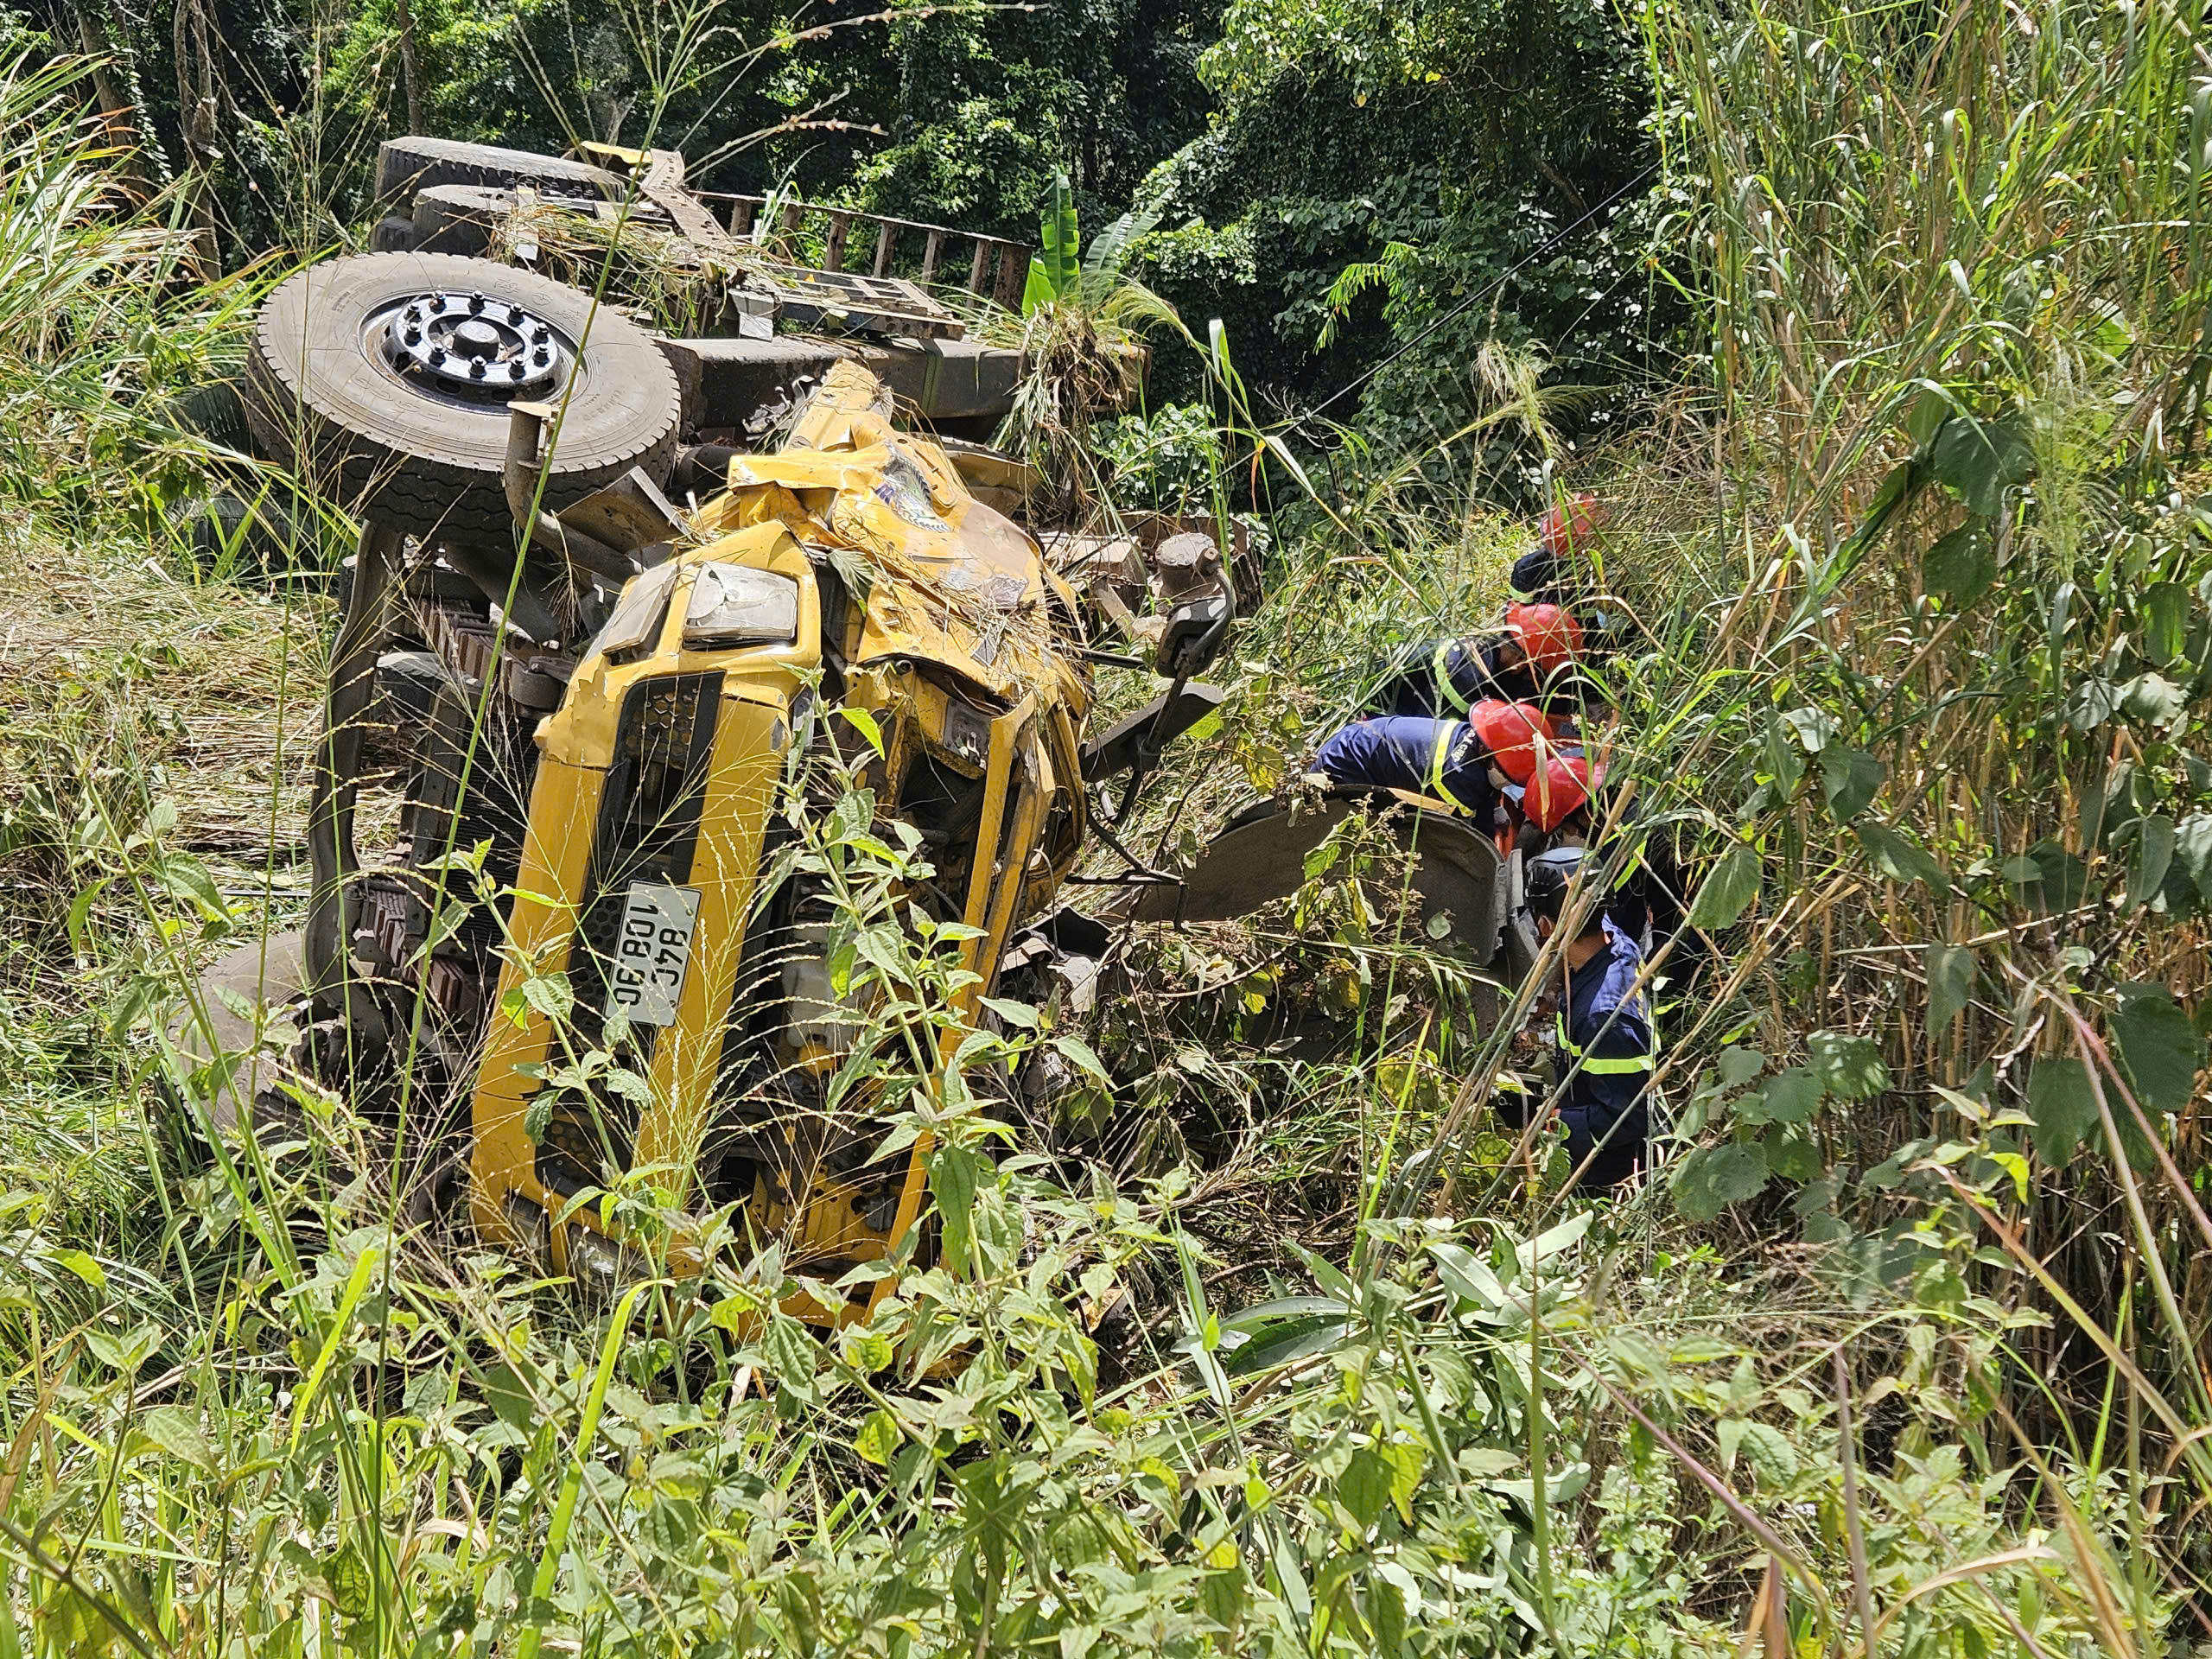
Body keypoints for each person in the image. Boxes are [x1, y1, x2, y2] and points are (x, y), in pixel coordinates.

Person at [1499, 844, 1659, 1189]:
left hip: (1610, 1171)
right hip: (1590, 1098)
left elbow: (1626, 1120)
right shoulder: (1616, 941)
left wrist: (1541, 1119)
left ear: (1544, 924)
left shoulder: (1605, 1018)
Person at [1307, 697, 1553, 825]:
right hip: (1343, 771)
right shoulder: (1458, 780)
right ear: (1490, 756)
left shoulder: (1473, 736)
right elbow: (1461, 830)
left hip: (1354, 740)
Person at [1370, 602, 1586, 719]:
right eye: (1537, 673)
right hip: (1380, 712)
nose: (1535, 680)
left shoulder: (1491, 650)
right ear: (1520, 662)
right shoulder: (1467, 681)